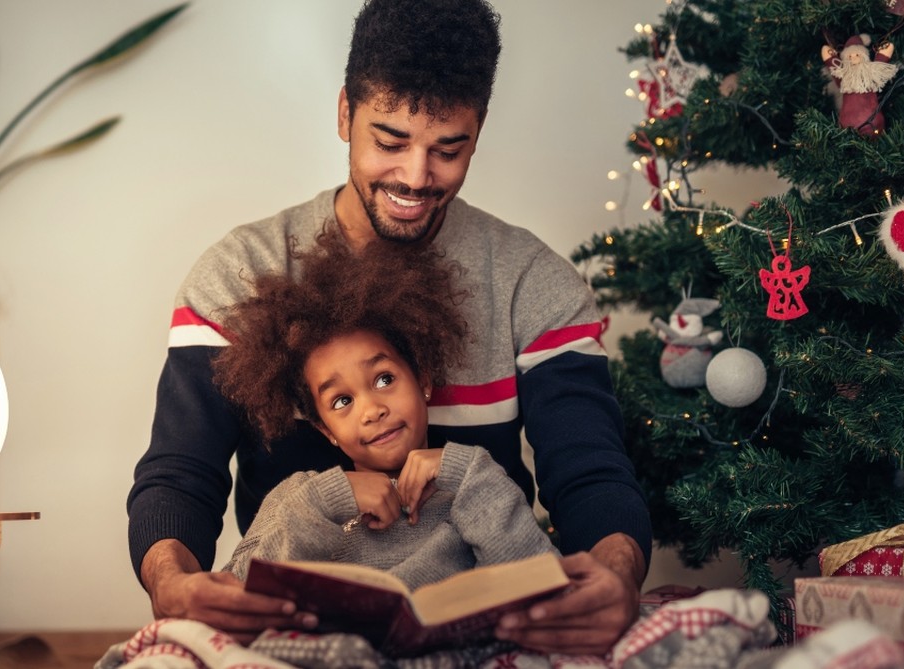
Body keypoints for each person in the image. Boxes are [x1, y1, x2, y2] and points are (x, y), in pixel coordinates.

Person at [128, 0, 651, 654]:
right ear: (346, 111)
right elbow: (180, 475)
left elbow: (591, 475)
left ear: (479, 129)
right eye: (390, 140)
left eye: (448, 149)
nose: (415, 177)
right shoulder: (238, 275)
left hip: (481, 624)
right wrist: (174, 583)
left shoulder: (531, 284)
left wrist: (617, 571)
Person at [212, 233, 559, 595]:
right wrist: (328, 498)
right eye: (342, 401)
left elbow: (541, 582)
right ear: (325, 429)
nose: (372, 410)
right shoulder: (302, 500)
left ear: (423, 380)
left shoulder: (472, 484)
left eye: (384, 379)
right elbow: (235, 590)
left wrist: (465, 472)